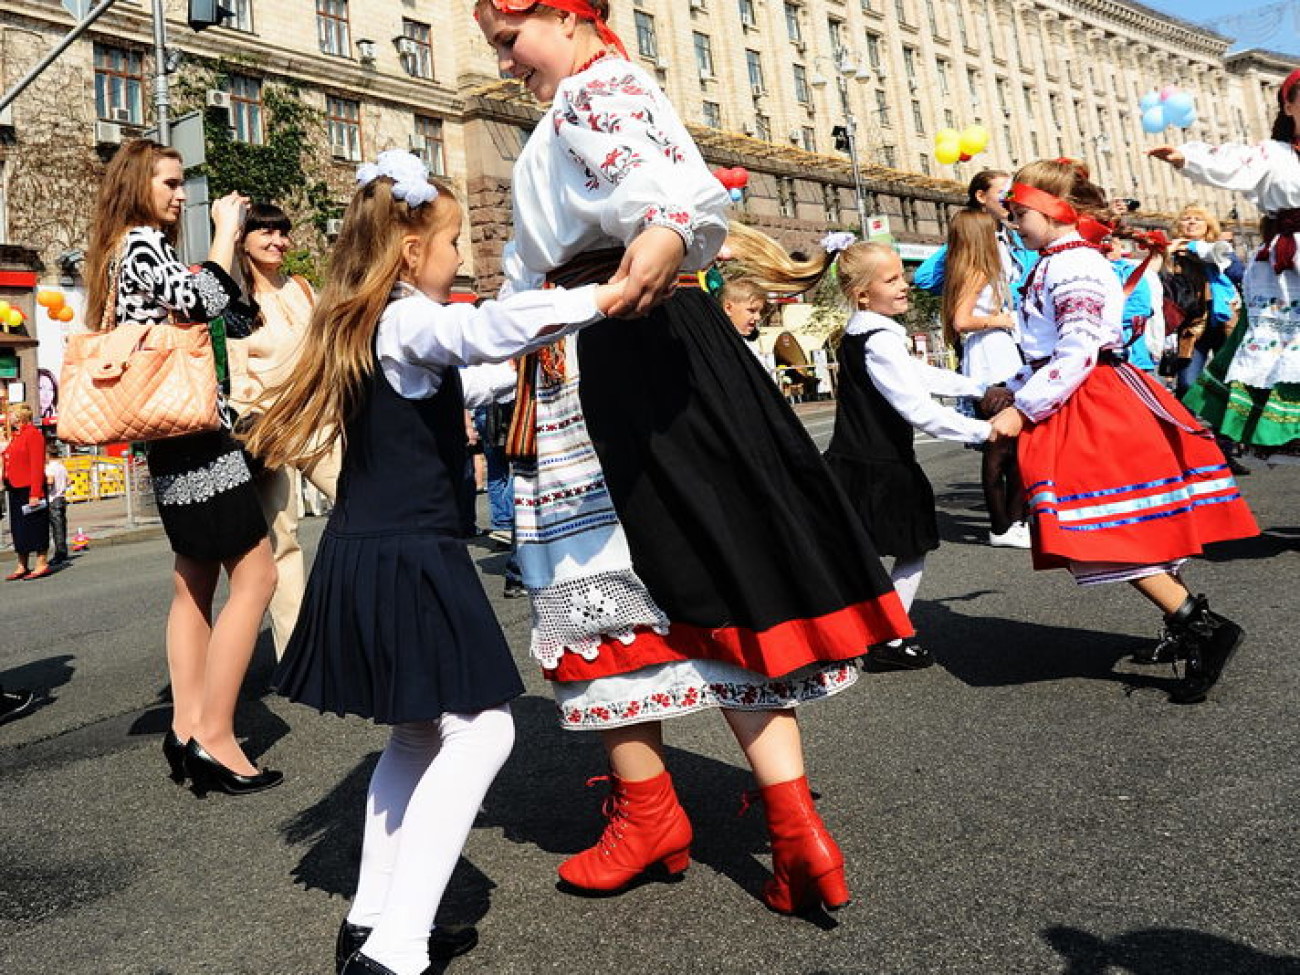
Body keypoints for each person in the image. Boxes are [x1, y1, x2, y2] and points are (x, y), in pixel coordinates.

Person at [475, 0, 911, 917]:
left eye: (510, 41)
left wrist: (666, 234)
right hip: (663, 337)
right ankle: (794, 826)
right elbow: (670, 191)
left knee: (598, 577)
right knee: (716, 564)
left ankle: (650, 815)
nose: (508, 64)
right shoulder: (605, 92)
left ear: (563, 13)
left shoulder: (594, 94)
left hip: (606, 340)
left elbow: (669, 191)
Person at [244, 151, 628, 975]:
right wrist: (601, 295)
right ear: (412, 248)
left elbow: (468, 366)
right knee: (483, 730)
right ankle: (397, 946)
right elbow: (473, 331)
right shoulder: (410, 317)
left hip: (369, 546)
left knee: (420, 732)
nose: (463, 256)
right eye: (453, 240)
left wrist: (532, 345)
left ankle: (371, 923)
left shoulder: (368, 318)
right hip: (408, 552)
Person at [986, 158, 1258, 705]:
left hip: (1092, 404)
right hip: (1085, 397)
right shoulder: (1054, 260)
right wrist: (1015, 387)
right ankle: (1186, 623)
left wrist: (1026, 406)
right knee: (1125, 523)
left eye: (1020, 213)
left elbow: (1079, 347)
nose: (1014, 223)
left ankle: (1202, 627)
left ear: (1052, 211)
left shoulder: (1075, 267)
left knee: (1106, 531)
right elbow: (1048, 346)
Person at [83, 139, 279, 794]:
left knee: (193, 579)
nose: (178, 194)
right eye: (168, 182)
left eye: (180, 182)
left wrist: (225, 278)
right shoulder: (140, 242)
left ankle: (187, 725)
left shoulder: (117, 252)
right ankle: (216, 735)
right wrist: (225, 235)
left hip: (166, 439)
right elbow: (198, 302)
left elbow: (229, 311)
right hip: (194, 433)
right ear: (139, 184)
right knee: (256, 577)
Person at [813, 237, 999, 667]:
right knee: (910, 548)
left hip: (853, 460)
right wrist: (984, 429)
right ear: (862, 293)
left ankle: (856, 630)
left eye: (902, 276)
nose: (904, 285)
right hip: (882, 465)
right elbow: (915, 406)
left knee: (856, 553)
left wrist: (977, 388)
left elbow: (916, 374)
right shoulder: (879, 338)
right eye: (891, 279)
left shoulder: (863, 335)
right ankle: (888, 637)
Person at [1150, 74, 1300, 460]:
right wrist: (1188, 158)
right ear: (1288, 106)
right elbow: (1235, 162)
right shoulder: (1275, 154)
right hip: (1289, 268)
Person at [228, 202, 341, 659]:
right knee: (283, 541)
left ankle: (366, 614)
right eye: (265, 233)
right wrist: (255, 428)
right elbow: (235, 381)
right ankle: (296, 653)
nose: (277, 241)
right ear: (243, 240)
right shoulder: (235, 302)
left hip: (318, 420)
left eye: (281, 233)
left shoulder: (301, 287)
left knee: (361, 503)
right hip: (268, 430)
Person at [941, 208, 1030, 548]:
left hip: (990, 357)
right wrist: (1000, 321)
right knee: (1004, 445)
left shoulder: (972, 270)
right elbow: (963, 320)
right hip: (993, 359)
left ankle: (1010, 521)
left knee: (1004, 445)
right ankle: (1005, 524)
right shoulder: (978, 271)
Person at [914, 169, 1037, 297]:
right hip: (987, 315)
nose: (1009, 200)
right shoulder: (968, 238)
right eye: (1003, 193)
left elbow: (1034, 281)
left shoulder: (1019, 238)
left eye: (1011, 194)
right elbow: (925, 279)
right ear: (981, 196)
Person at [2, 404, 51, 580]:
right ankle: (22, 564)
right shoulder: (16, 436)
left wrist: (35, 492)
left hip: (29, 488)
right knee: (20, 529)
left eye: (12, 414)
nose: (10, 418)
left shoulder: (33, 435)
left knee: (35, 526)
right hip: (15, 487)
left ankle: (41, 563)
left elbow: (37, 465)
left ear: (21, 416)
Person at [44, 442, 69, 565]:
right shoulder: (61, 466)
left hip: (53, 499)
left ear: (48, 454)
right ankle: (63, 551)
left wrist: (44, 487)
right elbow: (68, 481)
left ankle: (60, 554)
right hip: (62, 498)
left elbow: (50, 481)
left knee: (56, 528)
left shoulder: (50, 468)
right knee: (62, 526)